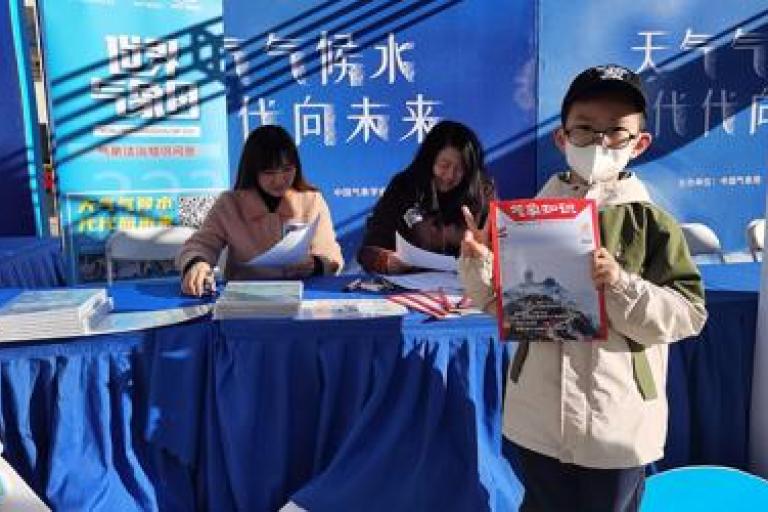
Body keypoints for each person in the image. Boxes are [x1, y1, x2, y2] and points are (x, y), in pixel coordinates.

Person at [459, 65, 707, 511]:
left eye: (616, 132)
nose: (600, 143)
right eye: (585, 130)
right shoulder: (531, 216)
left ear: (640, 142)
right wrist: (479, 263)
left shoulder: (651, 223)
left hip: (617, 419)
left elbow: (688, 313)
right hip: (539, 415)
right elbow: (502, 304)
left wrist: (622, 285)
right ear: (562, 138)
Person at [178, 125, 344, 296]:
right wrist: (197, 263)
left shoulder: (311, 200)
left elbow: (330, 254)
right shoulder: (230, 204)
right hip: (244, 299)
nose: (279, 180)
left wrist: (315, 264)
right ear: (253, 171)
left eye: (287, 170)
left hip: (304, 295)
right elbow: (201, 244)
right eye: (269, 172)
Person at [357, 120, 494, 274]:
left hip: (468, 288)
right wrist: (386, 260)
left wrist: (487, 252)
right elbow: (368, 251)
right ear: (429, 160)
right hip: (409, 287)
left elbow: (503, 250)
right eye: (444, 165)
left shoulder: (482, 192)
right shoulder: (404, 187)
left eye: (460, 169)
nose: (450, 176)